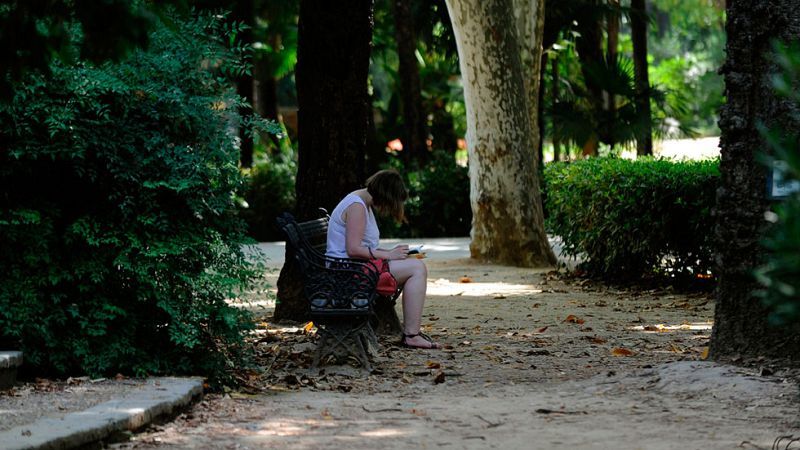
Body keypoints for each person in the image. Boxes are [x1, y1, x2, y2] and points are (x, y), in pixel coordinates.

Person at [326, 169, 441, 349]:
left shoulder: (362, 202)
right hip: (348, 272)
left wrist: (392, 252)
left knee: (414, 264)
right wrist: (388, 255)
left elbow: (362, 246)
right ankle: (412, 335)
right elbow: (353, 249)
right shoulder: (357, 207)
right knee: (417, 269)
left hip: (354, 267)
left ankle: (412, 333)